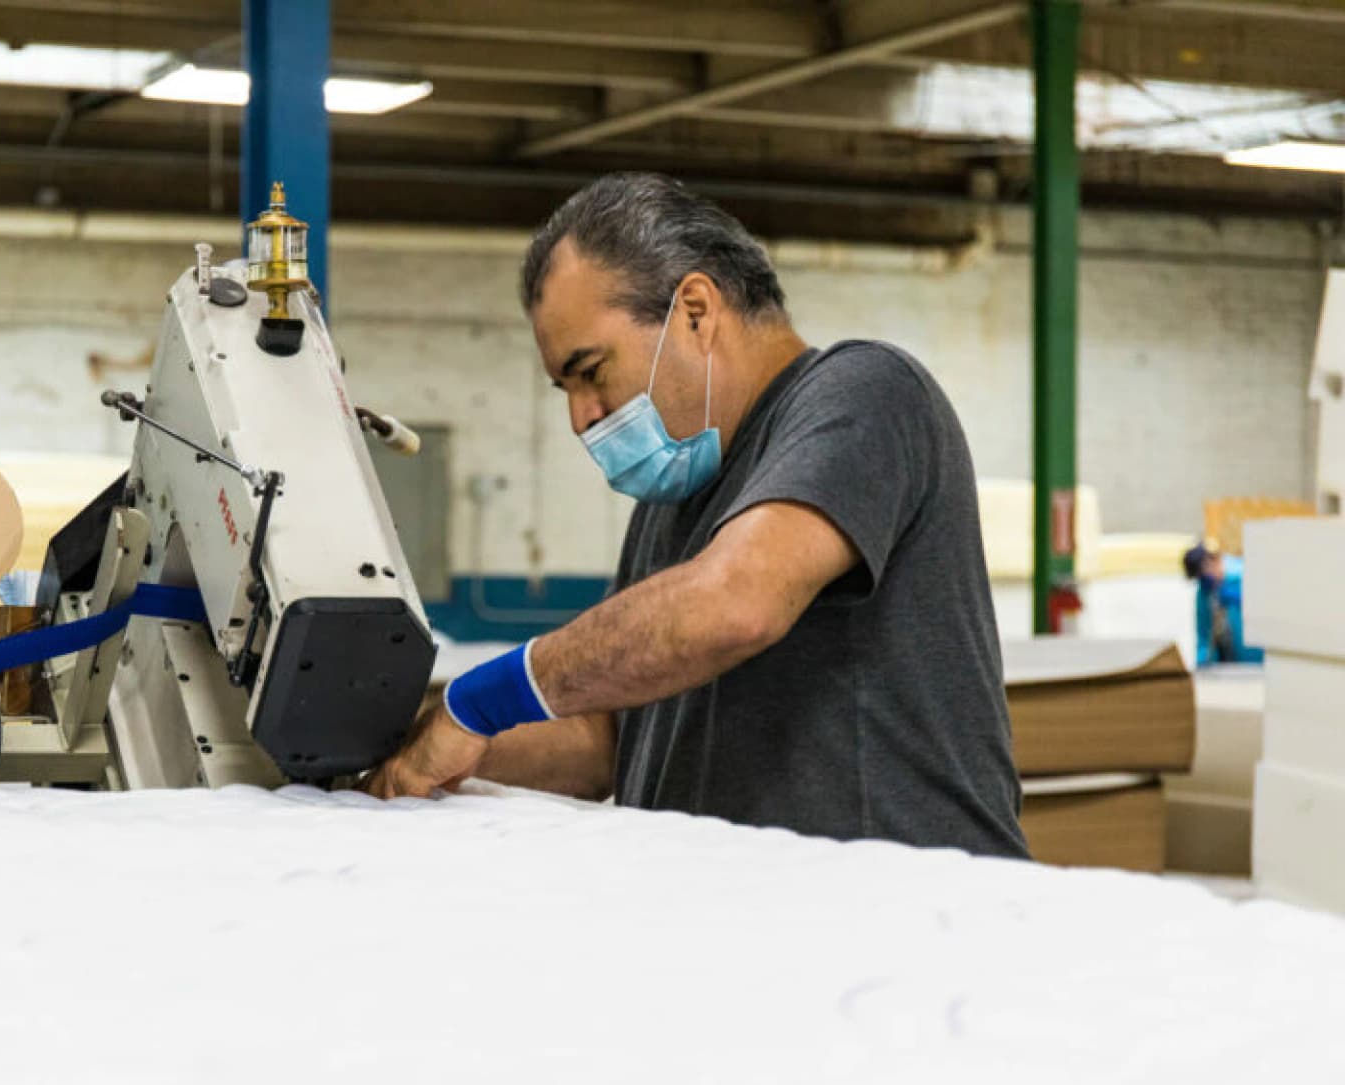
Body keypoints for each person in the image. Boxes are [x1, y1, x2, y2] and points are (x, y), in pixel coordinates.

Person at [366, 172, 1027, 859]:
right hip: (760, 917)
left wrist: (485, 696)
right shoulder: (676, 500)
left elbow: (736, 602)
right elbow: (605, 745)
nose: (580, 416)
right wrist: (419, 740)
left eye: (590, 370)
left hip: (910, 915)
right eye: (564, 387)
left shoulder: (865, 394)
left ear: (696, 311)